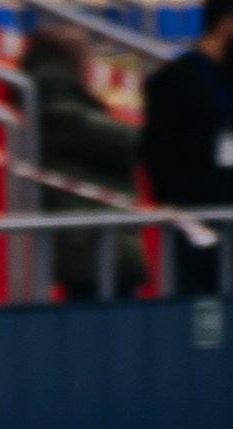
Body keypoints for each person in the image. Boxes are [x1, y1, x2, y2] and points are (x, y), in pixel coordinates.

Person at [25, 20, 146, 298]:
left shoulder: (55, 100)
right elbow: (127, 140)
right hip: (90, 243)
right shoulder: (59, 106)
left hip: (92, 239)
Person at [144, 0, 233, 294]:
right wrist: (179, 209)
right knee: (201, 309)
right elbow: (158, 151)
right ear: (227, 21)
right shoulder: (173, 80)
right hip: (196, 218)